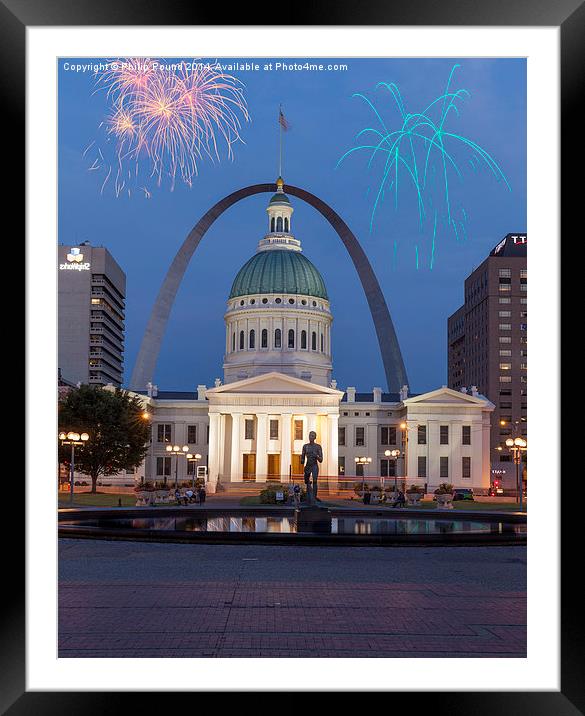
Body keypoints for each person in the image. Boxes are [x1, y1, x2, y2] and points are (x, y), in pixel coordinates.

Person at [301, 430, 323, 504]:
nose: (311, 437)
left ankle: (314, 497)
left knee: (315, 481)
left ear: (315, 437)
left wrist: (316, 455)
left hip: (314, 465)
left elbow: (321, 460)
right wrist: (302, 460)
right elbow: (303, 456)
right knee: (306, 481)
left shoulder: (318, 447)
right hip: (308, 465)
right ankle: (308, 496)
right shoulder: (305, 446)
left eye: (312, 436)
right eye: (310, 436)